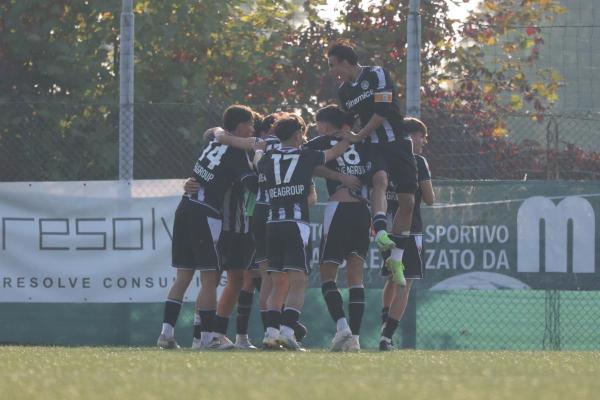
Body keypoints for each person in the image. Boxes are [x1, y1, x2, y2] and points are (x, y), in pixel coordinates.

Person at [156, 105, 258, 350]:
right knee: (209, 277)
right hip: (206, 213)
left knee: (183, 276)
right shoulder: (237, 154)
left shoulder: (213, 140)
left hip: (185, 207)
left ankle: (166, 334)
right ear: (240, 126)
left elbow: (214, 132)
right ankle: (207, 337)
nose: (253, 129)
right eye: (250, 124)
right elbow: (252, 185)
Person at [256, 114, 351, 351]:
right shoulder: (306, 155)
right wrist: (348, 136)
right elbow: (335, 152)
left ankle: (270, 334)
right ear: (298, 135)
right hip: (295, 223)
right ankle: (288, 333)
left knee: (277, 283)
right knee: (298, 282)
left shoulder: (267, 158)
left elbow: (261, 166)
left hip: (272, 223)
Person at [327, 40, 418, 287]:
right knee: (380, 180)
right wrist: (336, 136)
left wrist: (358, 135)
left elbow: (383, 110)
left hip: (398, 142)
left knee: (408, 203)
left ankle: (396, 260)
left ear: (346, 61)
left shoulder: (376, 73)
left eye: (333, 65)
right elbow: (347, 120)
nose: (332, 71)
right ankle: (380, 229)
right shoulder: (344, 91)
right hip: (374, 146)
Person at [304, 105, 370, 352]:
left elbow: (306, 163)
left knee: (327, 274)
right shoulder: (362, 142)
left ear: (325, 124)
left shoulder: (322, 142)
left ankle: (343, 328)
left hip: (339, 210)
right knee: (356, 277)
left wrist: (338, 177)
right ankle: (355, 339)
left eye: (317, 123)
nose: (317, 128)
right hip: (363, 211)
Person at [379, 118, 434, 351]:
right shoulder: (417, 161)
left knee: (392, 278)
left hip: (387, 229)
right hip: (410, 230)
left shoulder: (384, 159)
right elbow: (430, 199)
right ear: (411, 136)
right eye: (422, 136)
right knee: (404, 283)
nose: (423, 141)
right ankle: (387, 336)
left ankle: (384, 325)